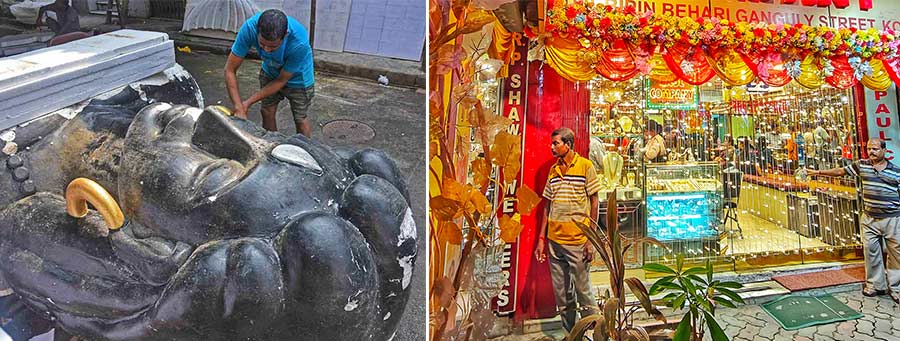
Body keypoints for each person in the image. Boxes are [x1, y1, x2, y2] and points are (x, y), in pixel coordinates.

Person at [808, 138, 900, 302]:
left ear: (884, 151)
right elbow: (840, 171)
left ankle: (896, 288)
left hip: (892, 219)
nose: (871, 152)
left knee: (896, 255)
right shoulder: (862, 165)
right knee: (871, 252)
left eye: (875, 149)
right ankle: (875, 286)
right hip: (870, 218)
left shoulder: (896, 171)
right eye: (869, 148)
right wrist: (818, 173)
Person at [534, 127, 601, 332]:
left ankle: (596, 331)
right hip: (555, 240)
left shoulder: (585, 167)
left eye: (556, 143)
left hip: (577, 240)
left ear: (568, 144)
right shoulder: (553, 171)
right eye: (552, 143)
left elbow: (595, 201)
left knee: (583, 290)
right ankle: (572, 333)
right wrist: (541, 239)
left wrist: (591, 239)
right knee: (562, 294)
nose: (552, 147)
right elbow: (548, 205)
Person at [225, 9, 315, 136]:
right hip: (270, 71)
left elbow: (281, 80)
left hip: (299, 79)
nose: (266, 50)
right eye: (262, 44)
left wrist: (247, 103)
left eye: (273, 47)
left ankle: (305, 152)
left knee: (300, 119)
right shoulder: (249, 28)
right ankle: (270, 145)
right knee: (267, 111)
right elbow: (230, 69)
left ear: (286, 35)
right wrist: (238, 106)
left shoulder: (299, 43)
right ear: (257, 30)